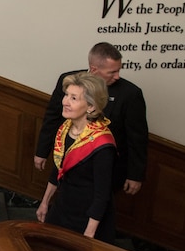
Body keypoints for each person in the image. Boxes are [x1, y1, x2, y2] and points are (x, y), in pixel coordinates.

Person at [34, 42, 148, 195]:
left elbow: (137, 138)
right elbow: (52, 118)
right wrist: (42, 151)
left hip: (105, 169)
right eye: (112, 72)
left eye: (118, 70)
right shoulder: (69, 81)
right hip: (68, 162)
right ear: (94, 69)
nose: (117, 76)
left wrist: (135, 175)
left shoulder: (130, 94)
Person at [35, 72, 118, 242]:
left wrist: (89, 234)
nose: (65, 101)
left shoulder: (102, 144)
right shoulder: (66, 128)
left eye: (73, 98)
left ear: (91, 107)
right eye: (66, 95)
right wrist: (45, 202)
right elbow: (58, 169)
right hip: (63, 206)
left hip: (87, 217)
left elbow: (102, 195)